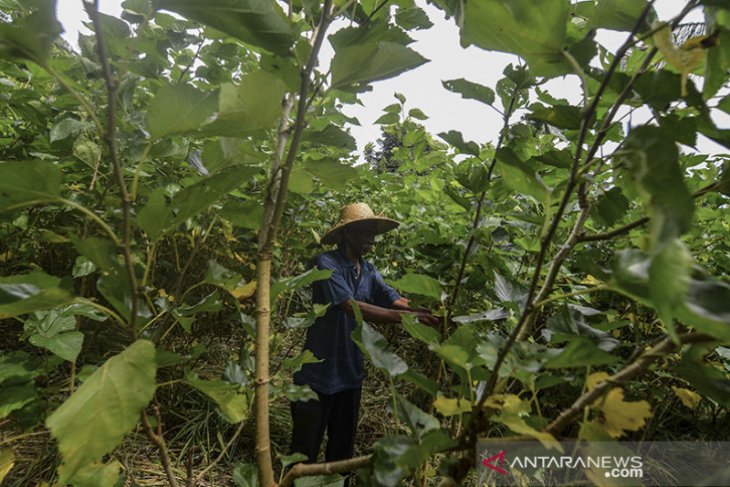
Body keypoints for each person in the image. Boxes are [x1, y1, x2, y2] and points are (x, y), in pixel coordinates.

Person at [290, 203, 439, 472]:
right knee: (303, 454)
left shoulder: (368, 270)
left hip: (350, 375)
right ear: (348, 234)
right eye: (365, 233)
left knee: (342, 455)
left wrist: (421, 312)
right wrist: (404, 318)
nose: (371, 240)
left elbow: (393, 298)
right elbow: (349, 306)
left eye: (373, 234)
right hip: (316, 375)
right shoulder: (326, 263)